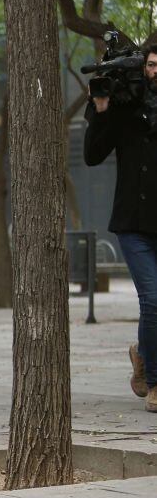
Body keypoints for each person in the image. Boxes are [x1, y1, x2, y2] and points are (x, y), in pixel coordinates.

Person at [85, 44, 157, 413]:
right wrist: (101, 109)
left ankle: (143, 355)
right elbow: (92, 155)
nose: (154, 70)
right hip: (133, 223)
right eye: (150, 64)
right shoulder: (126, 110)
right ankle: (156, 383)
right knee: (153, 299)